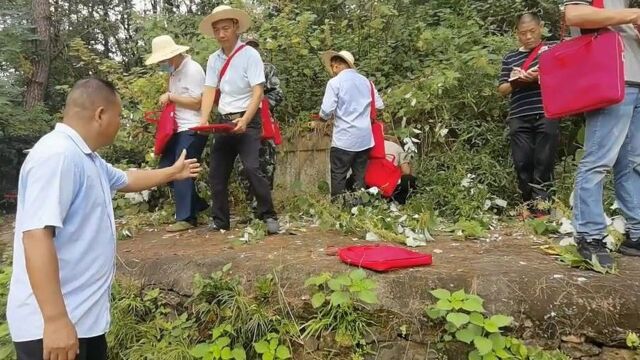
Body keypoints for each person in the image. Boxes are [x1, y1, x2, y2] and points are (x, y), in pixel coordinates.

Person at [6, 78, 201, 360]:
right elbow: (36, 236)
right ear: (100, 114)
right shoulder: (57, 155)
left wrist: (172, 172)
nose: (120, 122)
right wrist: (55, 319)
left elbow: (128, 178)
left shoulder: (87, 159)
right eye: (118, 115)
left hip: (82, 323)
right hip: (52, 332)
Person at [563, 1, 640, 268]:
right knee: (598, 160)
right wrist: (633, 15)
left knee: (632, 164)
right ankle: (589, 234)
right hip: (610, 79)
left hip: (635, 79)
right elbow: (573, 15)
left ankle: (637, 232)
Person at [197, 5, 279, 234]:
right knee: (217, 172)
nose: (221, 34)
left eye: (225, 28)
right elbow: (209, 90)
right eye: (217, 30)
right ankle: (220, 220)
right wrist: (204, 119)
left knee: (253, 168)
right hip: (223, 121)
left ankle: (269, 215)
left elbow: (258, 92)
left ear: (235, 27)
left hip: (248, 121)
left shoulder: (250, 55)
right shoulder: (213, 59)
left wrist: (245, 119)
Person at [145, 35, 209, 232]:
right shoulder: (174, 73)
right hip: (177, 128)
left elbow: (198, 101)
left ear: (173, 56)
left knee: (181, 169)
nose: (162, 65)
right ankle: (197, 205)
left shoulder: (193, 69)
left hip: (193, 127)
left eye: (163, 61)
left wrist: (171, 96)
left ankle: (186, 218)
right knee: (166, 168)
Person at [498, 12, 559, 218]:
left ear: (540, 28)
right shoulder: (510, 57)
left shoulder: (551, 50)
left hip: (547, 112)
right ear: (517, 34)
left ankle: (542, 208)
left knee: (544, 161)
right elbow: (502, 89)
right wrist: (516, 80)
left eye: (532, 31)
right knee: (522, 161)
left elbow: (564, 76)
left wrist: (539, 76)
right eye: (523, 33)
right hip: (519, 115)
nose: (528, 37)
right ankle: (527, 204)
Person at [312, 50, 384, 201]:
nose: (332, 70)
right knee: (360, 176)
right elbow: (379, 105)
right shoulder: (366, 82)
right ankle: (360, 208)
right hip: (364, 138)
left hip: (344, 138)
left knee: (339, 174)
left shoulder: (335, 83)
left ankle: (339, 208)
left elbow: (326, 111)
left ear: (337, 65)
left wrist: (323, 118)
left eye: (332, 67)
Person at [234, 34, 284, 220]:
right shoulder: (235, 69)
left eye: (254, 46)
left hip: (262, 123)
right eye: (248, 46)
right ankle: (251, 208)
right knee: (243, 168)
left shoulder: (267, 69)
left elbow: (278, 94)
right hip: (240, 122)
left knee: (265, 166)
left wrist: (261, 105)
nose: (251, 49)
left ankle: (264, 209)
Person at [384, 138, 417, 204]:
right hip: (390, 187)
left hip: (371, 187)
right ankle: (399, 201)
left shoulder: (369, 145)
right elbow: (406, 171)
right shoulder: (397, 147)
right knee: (408, 178)